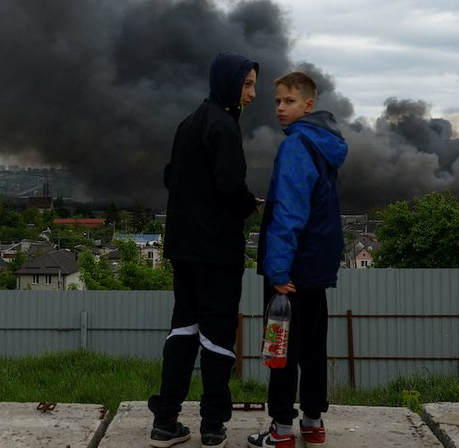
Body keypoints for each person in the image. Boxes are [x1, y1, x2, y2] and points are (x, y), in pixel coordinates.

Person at [148, 52, 260, 448]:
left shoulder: (188, 123)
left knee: (182, 330)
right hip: (216, 254)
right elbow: (231, 187)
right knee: (217, 339)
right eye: (247, 84)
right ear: (229, 83)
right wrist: (250, 205)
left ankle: (165, 421)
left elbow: (169, 176)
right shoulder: (224, 126)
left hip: (183, 250)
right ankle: (213, 426)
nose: (252, 93)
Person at [247, 71, 348, 448]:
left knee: (281, 350)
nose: (279, 108)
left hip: (290, 271)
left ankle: (281, 431)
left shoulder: (295, 146)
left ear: (308, 105)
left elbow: (289, 214)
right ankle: (313, 422)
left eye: (288, 101)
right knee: (313, 348)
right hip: (317, 268)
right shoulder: (325, 145)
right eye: (276, 101)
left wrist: (277, 270)